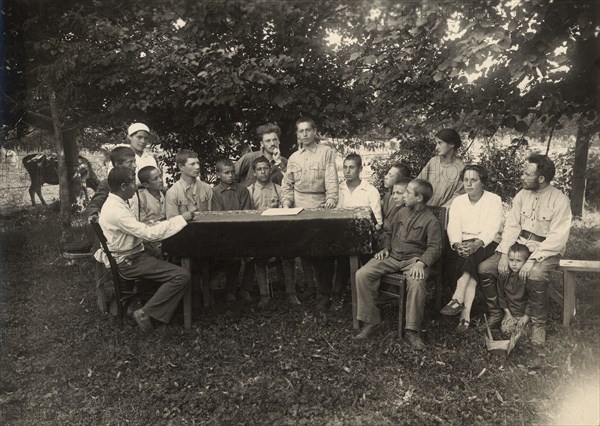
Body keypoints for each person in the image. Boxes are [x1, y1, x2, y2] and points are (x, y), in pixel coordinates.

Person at [478, 154, 572, 345]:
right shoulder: (521, 195)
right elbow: (512, 226)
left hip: (546, 250)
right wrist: (504, 253)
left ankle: (538, 324)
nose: (522, 176)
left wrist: (532, 260)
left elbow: (557, 237)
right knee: (486, 268)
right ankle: (497, 313)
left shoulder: (560, 200)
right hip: (518, 246)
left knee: (536, 275)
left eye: (527, 174)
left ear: (541, 179)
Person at [95, 166, 196, 332]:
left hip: (133, 254)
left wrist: (156, 224)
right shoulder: (116, 211)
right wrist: (181, 219)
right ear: (123, 187)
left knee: (171, 255)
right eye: (133, 184)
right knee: (181, 275)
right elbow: (150, 234)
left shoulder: (116, 202)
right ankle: (145, 312)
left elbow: (138, 228)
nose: (137, 187)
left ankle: (165, 303)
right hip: (129, 261)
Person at [354, 179, 443, 350]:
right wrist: (385, 248)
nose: (404, 195)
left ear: (419, 198)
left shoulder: (430, 221)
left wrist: (422, 263)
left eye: (408, 192)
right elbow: (388, 232)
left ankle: (412, 331)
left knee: (416, 283)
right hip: (393, 256)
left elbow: (435, 247)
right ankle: (372, 321)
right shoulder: (400, 212)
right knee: (362, 274)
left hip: (413, 261)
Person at [281, 117, 339, 309]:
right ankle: (312, 287)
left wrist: (331, 200)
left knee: (323, 252)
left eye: (308, 130)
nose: (304, 134)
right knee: (305, 251)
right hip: (299, 207)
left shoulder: (326, 152)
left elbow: (331, 179)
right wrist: (286, 203)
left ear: (315, 131)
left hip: (320, 205)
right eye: (300, 131)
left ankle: (325, 293)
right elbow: (287, 184)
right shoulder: (294, 158)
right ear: (297, 134)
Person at [440, 165, 503, 332]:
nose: (468, 184)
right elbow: (453, 226)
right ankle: (464, 317)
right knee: (470, 264)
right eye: (466, 180)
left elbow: (492, 227)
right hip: (462, 244)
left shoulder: (493, 200)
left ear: (483, 182)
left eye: (473, 180)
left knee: (471, 257)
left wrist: (477, 243)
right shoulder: (458, 201)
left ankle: (458, 297)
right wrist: (456, 244)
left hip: (486, 243)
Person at [242, 156, 300, 307]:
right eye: (259, 169)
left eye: (265, 168)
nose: (263, 172)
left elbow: (287, 210)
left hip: (279, 232)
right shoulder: (249, 191)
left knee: (289, 258)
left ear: (270, 169)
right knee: (260, 260)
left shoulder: (279, 189)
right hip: (260, 234)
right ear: (254, 172)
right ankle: (264, 294)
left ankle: (291, 293)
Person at [330, 153, 383, 311]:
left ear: (360, 169)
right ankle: (337, 295)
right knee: (343, 259)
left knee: (367, 263)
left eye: (351, 167)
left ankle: (368, 297)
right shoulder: (338, 190)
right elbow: (334, 217)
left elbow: (378, 222)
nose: (347, 171)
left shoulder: (370, 191)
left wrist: (364, 236)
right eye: (344, 167)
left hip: (367, 239)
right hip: (343, 238)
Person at [211, 158, 253, 301]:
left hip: (243, 232)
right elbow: (218, 216)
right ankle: (230, 290)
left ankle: (245, 288)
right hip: (224, 234)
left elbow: (246, 213)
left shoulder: (242, 190)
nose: (230, 175)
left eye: (232, 172)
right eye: (226, 172)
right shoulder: (215, 192)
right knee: (233, 257)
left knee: (253, 255)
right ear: (218, 175)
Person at [417, 129, 465, 207]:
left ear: (451, 144)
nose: (436, 147)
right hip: (424, 209)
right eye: (436, 143)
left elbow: (459, 195)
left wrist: (443, 210)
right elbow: (419, 184)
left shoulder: (461, 168)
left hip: (445, 212)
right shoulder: (433, 161)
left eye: (440, 143)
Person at [165, 149, 212, 218]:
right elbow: (172, 222)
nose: (197, 167)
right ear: (181, 167)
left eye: (198, 163)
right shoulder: (172, 192)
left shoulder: (206, 188)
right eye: (192, 164)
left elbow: (213, 215)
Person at [498, 243, 532, 336]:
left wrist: (526, 316)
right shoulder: (504, 275)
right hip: (510, 313)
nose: (514, 264)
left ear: (525, 262)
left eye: (518, 261)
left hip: (524, 314)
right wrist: (507, 313)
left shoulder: (528, 277)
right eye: (511, 260)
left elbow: (532, 298)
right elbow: (501, 295)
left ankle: (525, 325)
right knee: (506, 331)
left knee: (522, 333)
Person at [134, 165, 166, 258]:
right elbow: (142, 224)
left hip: (165, 233)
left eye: (160, 176)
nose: (160, 180)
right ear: (146, 185)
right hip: (150, 239)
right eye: (155, 179)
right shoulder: (141, 198)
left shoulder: (165, 193)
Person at [381, 163, 411, 228]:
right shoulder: (387, 195)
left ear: (401, 179)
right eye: (387, 174)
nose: (385, 177)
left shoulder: (406, 198)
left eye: (390, 175)